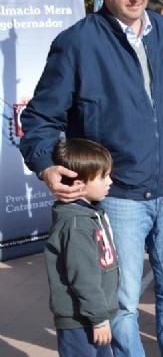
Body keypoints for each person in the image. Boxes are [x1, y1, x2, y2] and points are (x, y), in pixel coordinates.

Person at [20, 0, 163, 357]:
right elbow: (39, 118)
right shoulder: (77, 43)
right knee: (119, 303)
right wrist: (47, 165)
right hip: (117, 196)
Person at [45, 138, 117, 357]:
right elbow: (84, 277)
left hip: (93, 316)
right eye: (103, 176)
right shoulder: (77, 225)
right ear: (78, 184)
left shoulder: (90, 213)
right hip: (81, 321)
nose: (110, 182)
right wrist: (99, 319)